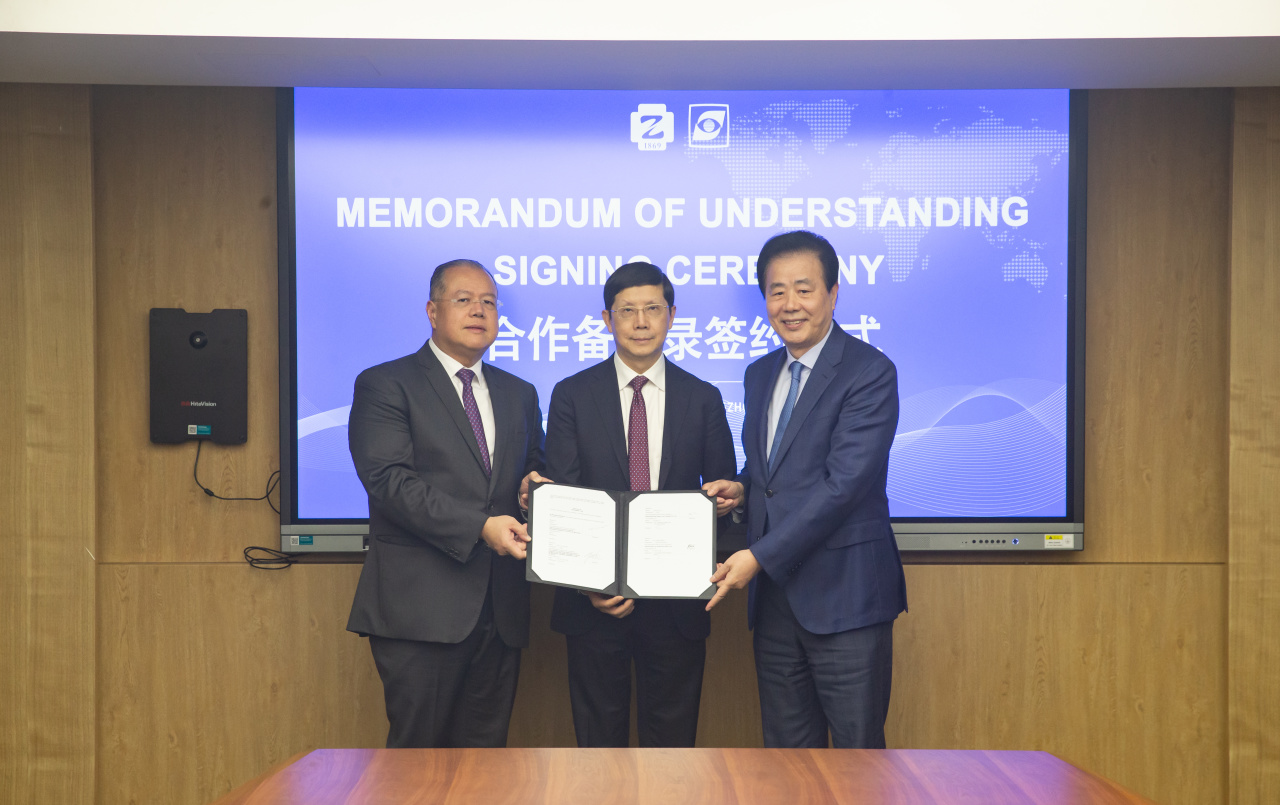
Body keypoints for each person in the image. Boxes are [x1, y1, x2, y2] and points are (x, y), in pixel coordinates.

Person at [702, 231, 907, 749]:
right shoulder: (759, 374)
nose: (789, 304)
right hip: (776, 606)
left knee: (857, 759)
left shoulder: (869, 372)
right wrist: (743, 487)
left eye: (804, 289)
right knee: (786, 759)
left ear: (833, 293)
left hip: (846, 600)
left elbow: (843, 486)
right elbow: (776, 469)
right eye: (776, 291)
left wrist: (757, 557)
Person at [346, 259, 546, 748]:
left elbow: (534, 469)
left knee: (485, 763)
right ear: (432, 311)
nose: (479, 310)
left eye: (489, 302)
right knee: (418, 763)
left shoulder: (519, 393)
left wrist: (532, 490)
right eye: (464, 300)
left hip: (500, 610)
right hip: (421, 609)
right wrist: (480, 526)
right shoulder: (386, 384)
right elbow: (389, 481)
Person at [541, 261, 737, 747]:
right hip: (595, 603)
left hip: (677, 603)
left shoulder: (703, 398)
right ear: (607, 320)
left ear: (672, 315)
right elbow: (563, 498)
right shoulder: (572, 395)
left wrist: (722, 515)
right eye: (627, 311)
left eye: (653, 308)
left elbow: (725, 491)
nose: (641, 322)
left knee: (672, 747)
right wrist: (588, 586)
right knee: (597, 745)